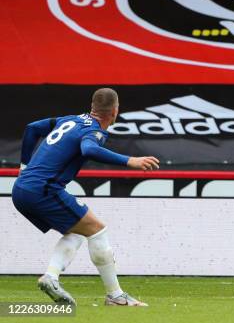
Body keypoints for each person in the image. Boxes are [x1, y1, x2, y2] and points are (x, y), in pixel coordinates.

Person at [12, 88, 159, 306]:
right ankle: (115, 296)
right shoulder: (94, 131)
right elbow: (89, 149)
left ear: (92, 106)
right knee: (97, 230)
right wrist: (130, 160)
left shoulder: (70, 120)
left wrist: (24, 166)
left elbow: (32, 128)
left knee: (78, 232)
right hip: (44, 190)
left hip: (20, 189)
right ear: (115, 111)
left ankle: (51, 277)